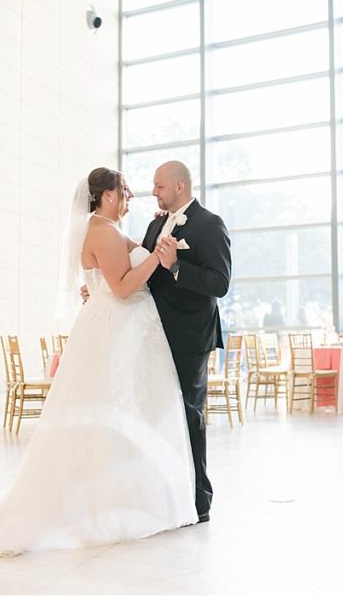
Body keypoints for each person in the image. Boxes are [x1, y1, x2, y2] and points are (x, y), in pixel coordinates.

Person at [0, 168, 198, 556]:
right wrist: (159, 260)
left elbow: (116, 269)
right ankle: (108, 505)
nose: (131, 196)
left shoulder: (106, 228)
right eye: (124, 190)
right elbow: (124, 287)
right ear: (107, 195)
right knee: (115, 412)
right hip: (117, 329)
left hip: (123, 332)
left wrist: (156, 240)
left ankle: (131, 497)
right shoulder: (103, 231)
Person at [141, 160, 231, 524]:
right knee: (157, 415)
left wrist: (178, 265)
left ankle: (198, 501)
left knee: (188, 414)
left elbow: (219, 283)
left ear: (179, 187)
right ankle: (164, 494)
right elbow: (145, 275)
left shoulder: (210, 225)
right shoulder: (153, 225)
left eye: (159, 186)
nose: (154, 192)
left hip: (190, 336)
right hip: (152, 334)